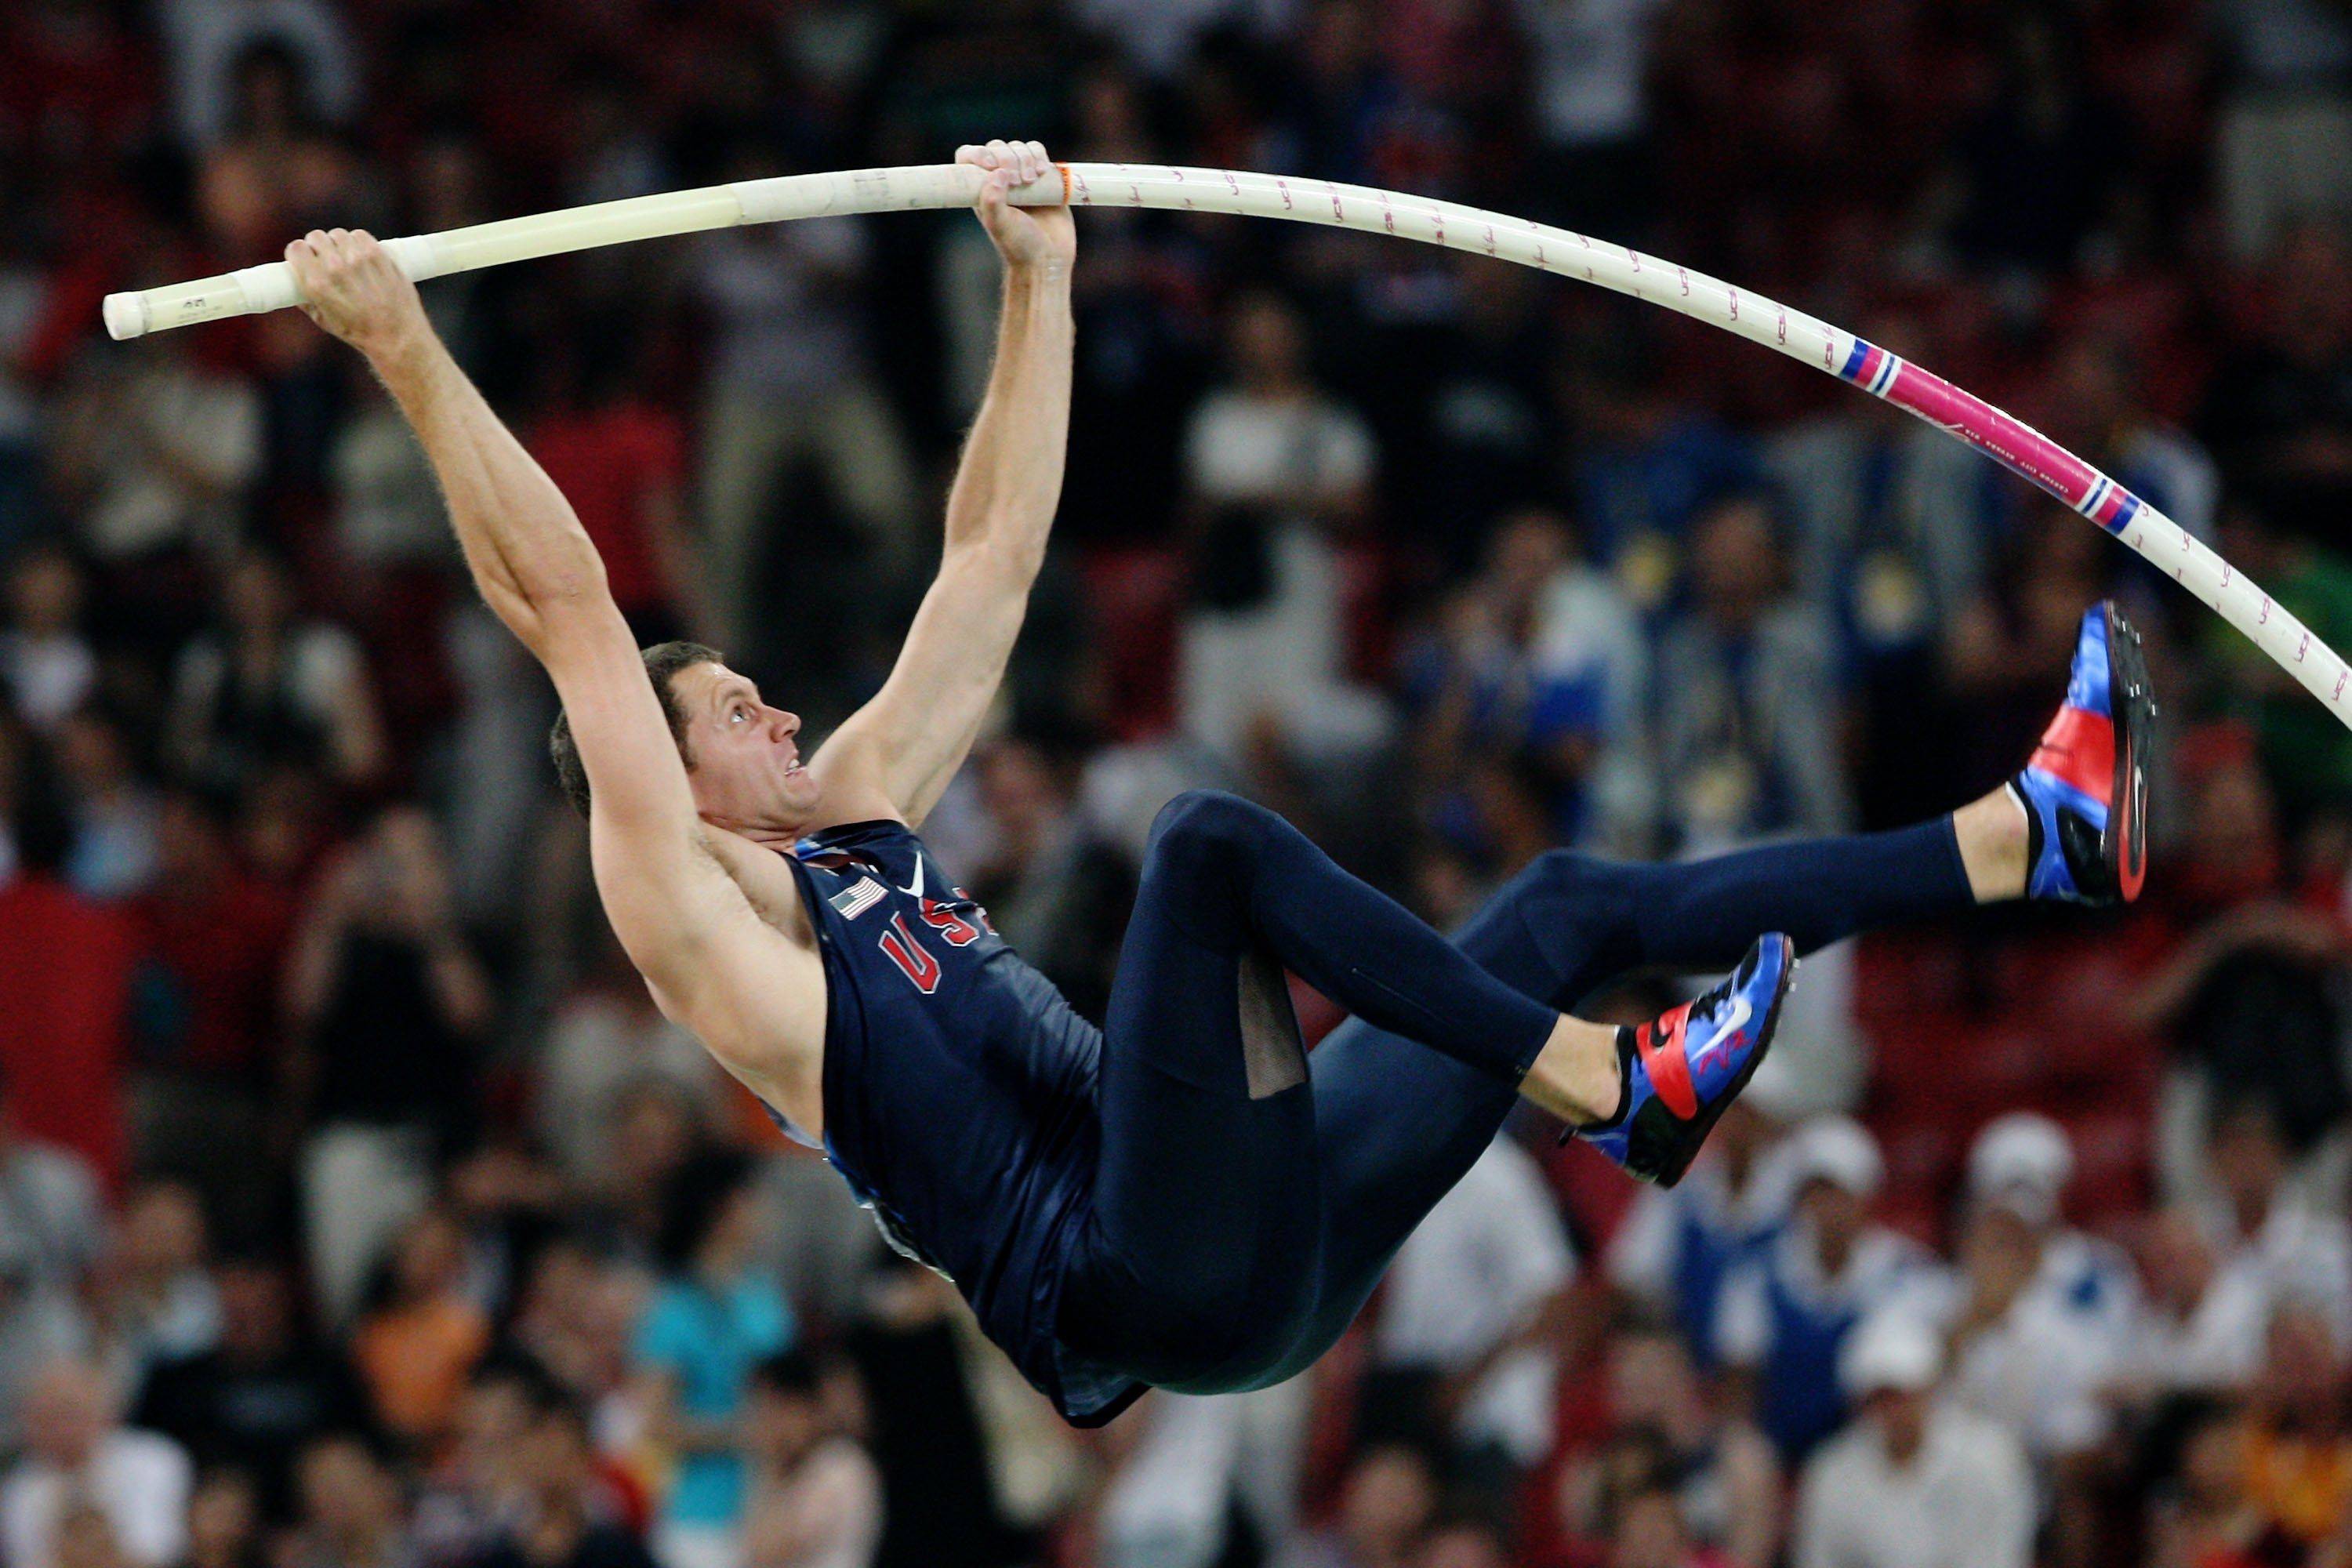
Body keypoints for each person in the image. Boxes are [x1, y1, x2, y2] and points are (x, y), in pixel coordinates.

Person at [283, 138, 2156, 1428]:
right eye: (734, 711)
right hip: (1145, 1274)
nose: (776, 712)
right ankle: (1593, 1075)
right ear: (665, 782)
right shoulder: (708, 917)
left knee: (1569, 907)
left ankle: (2019, 839)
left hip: (1253, 1235)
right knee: (1204, 845)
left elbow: (993, 561)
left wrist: (1045, 280)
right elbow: (566, 607)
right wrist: (404, 347)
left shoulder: (852, 817)